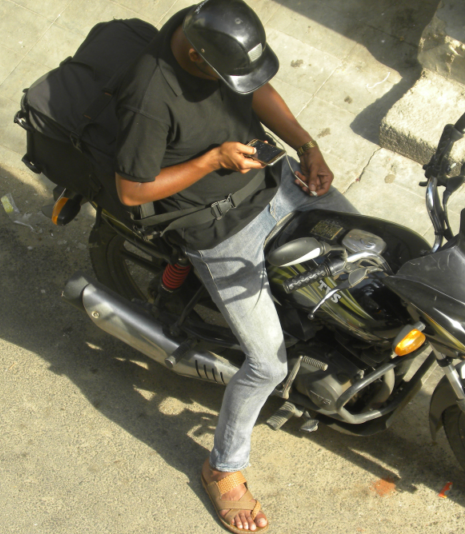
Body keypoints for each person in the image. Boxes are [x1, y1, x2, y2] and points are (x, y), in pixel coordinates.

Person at [113, 1, 355, 531]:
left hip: (275, 183)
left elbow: (256, 90)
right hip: (218, 228)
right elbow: (130, 191)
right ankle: (222, 468)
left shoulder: (211, 25)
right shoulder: (151, 95)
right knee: (266, 363)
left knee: (360, 250)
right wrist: (211, 162)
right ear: (196, 55)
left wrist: (307, 147)